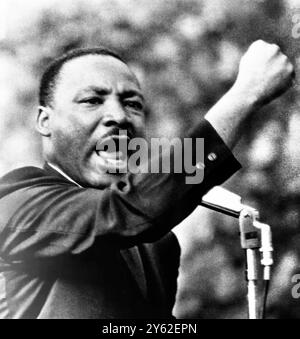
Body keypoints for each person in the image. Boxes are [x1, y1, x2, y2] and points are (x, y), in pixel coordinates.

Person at [0, 41, 294, 319]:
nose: (119, 116)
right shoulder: (15, 204)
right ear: (44, 121)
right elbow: (130, 208)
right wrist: (244, 95)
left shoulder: (158, 245)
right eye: (91, 100)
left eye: (133, 104)